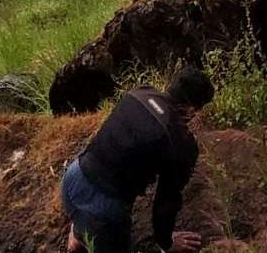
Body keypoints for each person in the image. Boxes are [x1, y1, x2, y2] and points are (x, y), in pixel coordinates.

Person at [61, 66, 215, 253]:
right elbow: (165, 203)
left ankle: (79, 234)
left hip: (73, 177)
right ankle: (85, 232)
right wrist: (166, 243)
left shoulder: (141, 93)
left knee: (90, 222)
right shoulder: (181, 143)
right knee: (106, 234)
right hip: (105, 210)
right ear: (192, 110)